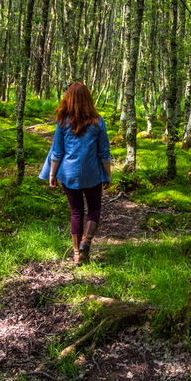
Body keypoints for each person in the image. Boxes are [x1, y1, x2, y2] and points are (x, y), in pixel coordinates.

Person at [39, 82, 112, 264]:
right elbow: (104, 153)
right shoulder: (98, 121)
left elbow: (57, 152)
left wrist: (52, 174)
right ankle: (85, 242)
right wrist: (108, 174)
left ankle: (77, 255)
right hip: (92, 174)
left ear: (68, 99)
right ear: (88, 99)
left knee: (76, 212)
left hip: (69, 174)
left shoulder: (63, 122)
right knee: (94, 208)